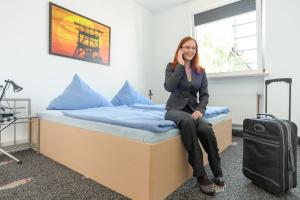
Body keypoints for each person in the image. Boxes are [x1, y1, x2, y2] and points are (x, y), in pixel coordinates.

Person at [164, 36, 225, 196]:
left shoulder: (201, 71)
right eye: (187, 47)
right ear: (180, 49)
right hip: (174, 109)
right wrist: (181, 66)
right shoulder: (172, 67)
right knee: (188, 123)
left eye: (193, 48)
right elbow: (168, 87)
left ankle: (217, 170)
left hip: (193, 110)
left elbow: (204, 95)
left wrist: (200, 109)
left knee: (205, 128)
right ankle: (201, 175)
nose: (190, 50)